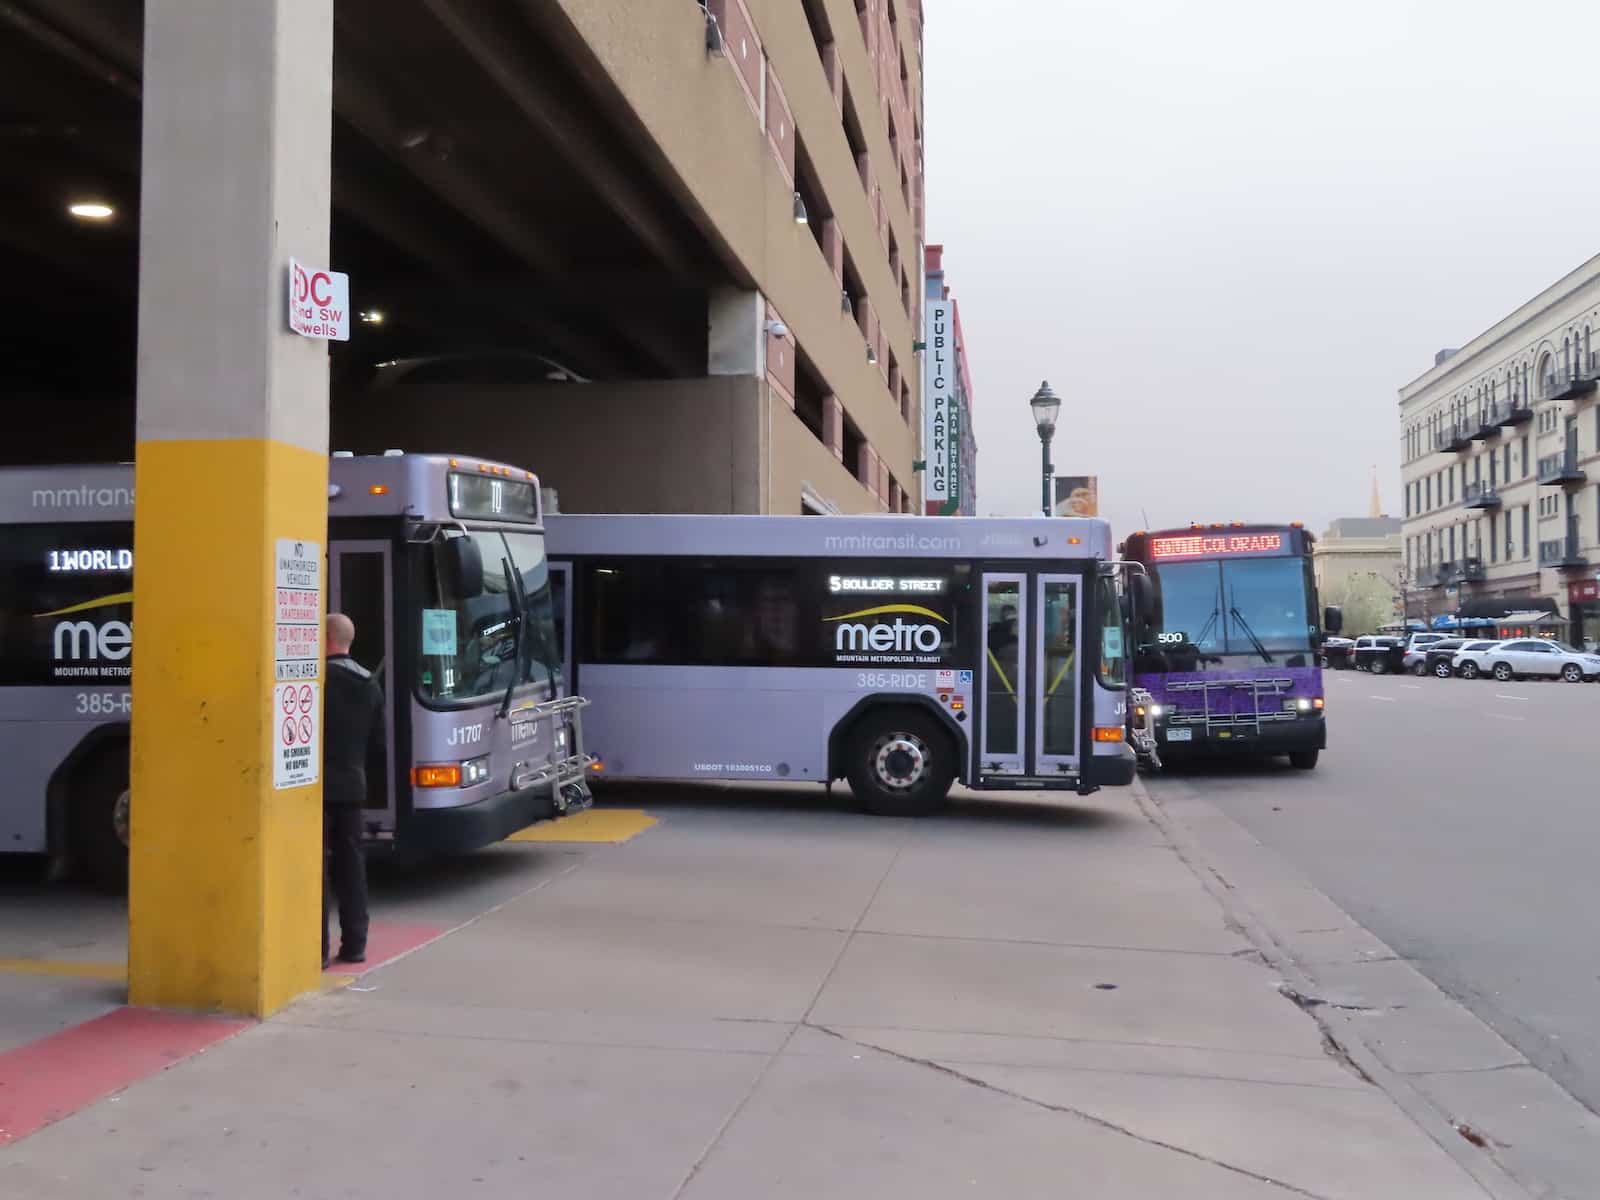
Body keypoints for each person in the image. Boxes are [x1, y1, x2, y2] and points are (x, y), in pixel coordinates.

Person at [322, 612, 383, 966]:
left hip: (314, 789)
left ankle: (317, 950)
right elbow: (378, 744)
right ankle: (355, 944)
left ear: (327, 637)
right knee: (351, 867)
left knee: (316, 869)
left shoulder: (317, 681)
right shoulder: (369, 683)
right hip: (352, 787)